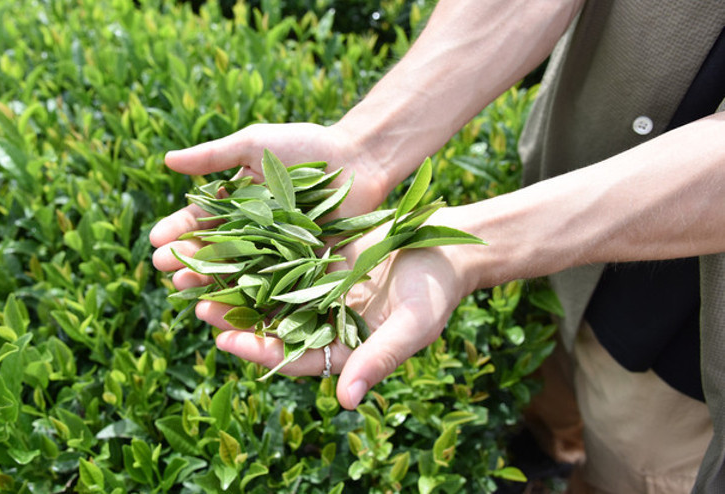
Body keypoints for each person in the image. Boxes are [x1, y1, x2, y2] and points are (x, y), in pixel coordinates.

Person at [150, 1, 725, 492]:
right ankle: (552, 447)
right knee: (549, 392)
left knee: (630, 466)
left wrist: (470, 248)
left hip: (687, 338)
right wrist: (368, 145)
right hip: (561, 194)